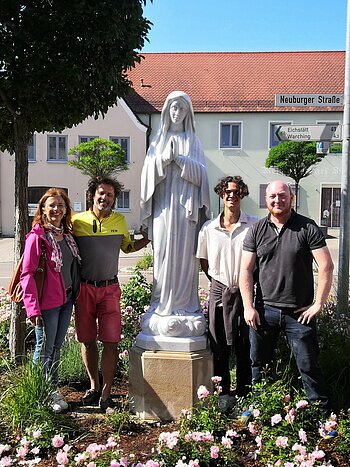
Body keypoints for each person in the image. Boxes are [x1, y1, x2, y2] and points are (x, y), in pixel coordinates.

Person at [239, 180, 334, 416]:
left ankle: (322, 415)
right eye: (272, 196)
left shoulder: (307, 228)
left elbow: (326, 267)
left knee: (308, 365)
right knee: (259, 364)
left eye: (282, 196)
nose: (277, 200)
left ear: (291, 198)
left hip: (299, 314)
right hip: (264, 310)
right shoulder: (257, 230)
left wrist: (318, 305)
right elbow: (245, 271)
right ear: (266, 200)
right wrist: (248, 307)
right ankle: (260, 407)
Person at [72, 176, 150, 411]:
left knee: (111, 341)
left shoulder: (120, 221)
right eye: (100, 193)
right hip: (84, 289)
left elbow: (128, 247)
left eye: (109, 194)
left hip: (110, 289)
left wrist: (147, 238)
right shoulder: (76, 222)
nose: (104, 198)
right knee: (87, 340)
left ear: (114, 199)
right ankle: (94, 386)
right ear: (91, 195)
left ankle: (106, 393)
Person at [140, 90, 210, 337]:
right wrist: (162, 160)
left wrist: (181, 160)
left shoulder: (193, 142)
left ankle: (183, 304)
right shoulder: (158, 141)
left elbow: (202, 175)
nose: (177, 113)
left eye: (181, 109)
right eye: (173, 108)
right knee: (162, 254)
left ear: (188, 113)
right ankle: (161, 305)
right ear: (167, 112)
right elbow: (147, 176)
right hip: (163, 210)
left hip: (185, 212)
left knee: (184, 257)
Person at [196, 176, 259, 411]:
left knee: (245, 345)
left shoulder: (253, 225)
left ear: (242, 194)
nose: (231, 195)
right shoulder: (209, 229)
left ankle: (243, 392)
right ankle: (222, 393)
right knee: (219, 345)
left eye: (235, 191)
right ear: (221, 195)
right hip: (219, 290)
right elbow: (203, 260)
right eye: (227, 192)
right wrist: (217, 281)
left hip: (244, 292)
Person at [20, 188, 81, 413]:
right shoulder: (37, 237)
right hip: (46, 304)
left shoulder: (67, 236)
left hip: (65, 299)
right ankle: (41, 392)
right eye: (52, 205)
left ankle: (52, 389)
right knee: (44, 348)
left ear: (66, 210)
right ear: (43, 210)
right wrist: (32, 309)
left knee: (56, 348)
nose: (57, 209)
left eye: (61, 206)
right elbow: (26, 274)